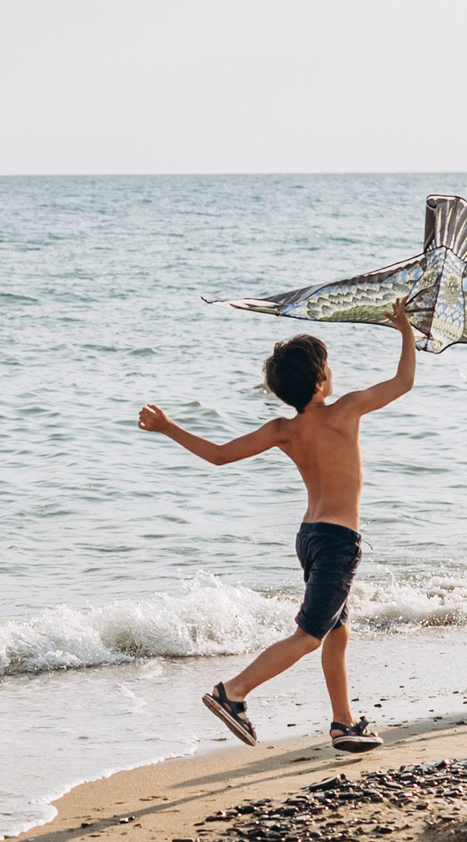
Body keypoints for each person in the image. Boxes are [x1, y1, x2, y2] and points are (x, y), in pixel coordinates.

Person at [139, 296, 418, 752]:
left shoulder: (282, 430)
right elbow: (404, 381)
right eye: (328, 365)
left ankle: (343, 723)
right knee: (310, 635)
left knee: (336, 630)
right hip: (338, 541)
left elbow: (219, 456)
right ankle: (233, 692)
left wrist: (170, 427)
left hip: (308, 538)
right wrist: (405, 329)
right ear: (321, 379)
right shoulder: (344, 410)